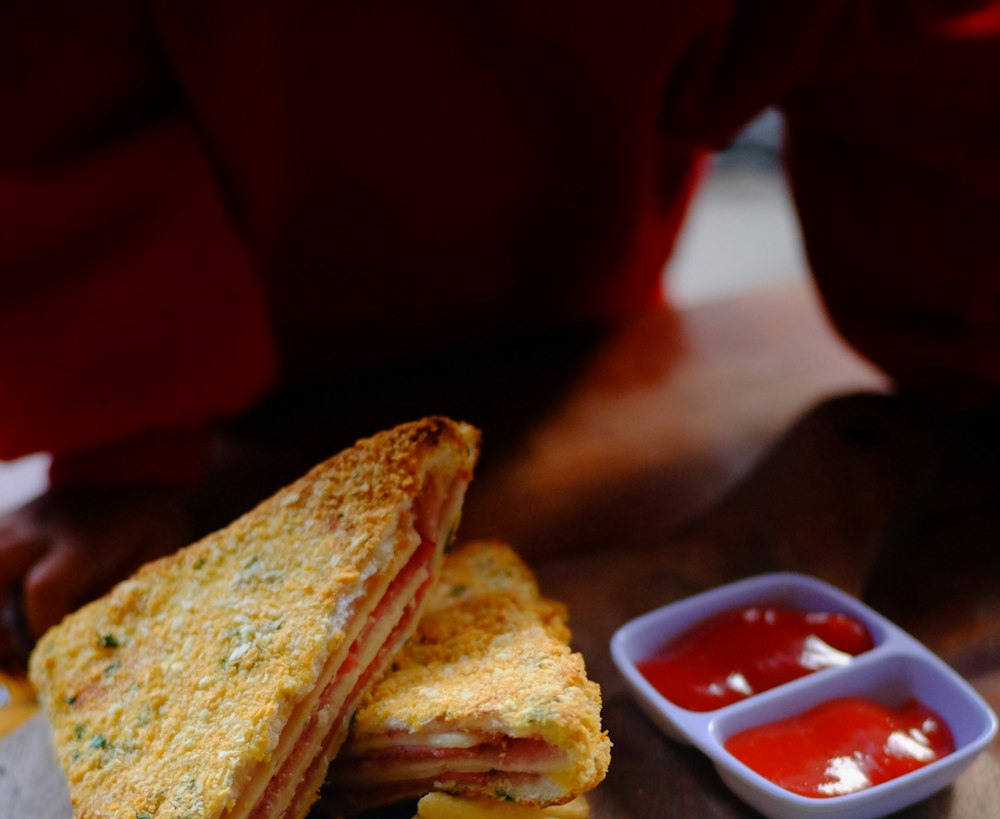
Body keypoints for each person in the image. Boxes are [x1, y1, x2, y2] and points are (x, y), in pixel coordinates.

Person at [2, 1, 998, 647]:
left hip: (571, 295)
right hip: (209, 302)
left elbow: (916, 37)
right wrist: (124, 441)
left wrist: (969, 334)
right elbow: (50, 65)